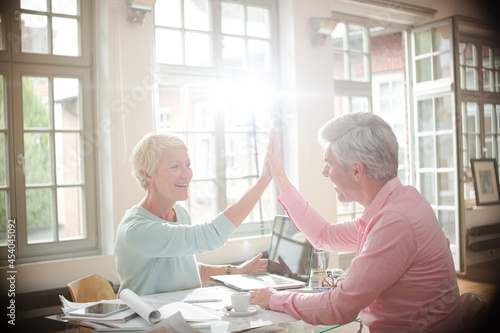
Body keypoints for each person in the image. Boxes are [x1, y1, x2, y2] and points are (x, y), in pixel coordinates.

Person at [250, 113, 463, 333]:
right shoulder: (400, 202)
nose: (324, 173)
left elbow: (339, 307)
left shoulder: (395, 222)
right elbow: (325, 235)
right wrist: (282, 181)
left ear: (356, 170)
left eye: (329, 165)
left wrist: (275, 299)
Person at [115, 132, 270, 296]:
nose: (187, 174)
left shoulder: (180, 214)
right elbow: (212, 235)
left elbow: (186, 269)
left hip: (179, 312)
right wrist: (264, 181)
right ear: (147, 174)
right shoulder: (137, 230)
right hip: (144, 319)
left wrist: (236, 271)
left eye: (187, 165)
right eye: (175, 166)